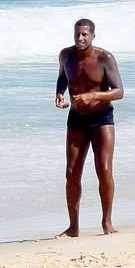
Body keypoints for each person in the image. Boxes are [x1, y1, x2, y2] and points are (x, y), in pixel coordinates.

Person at [55, 18, 124, 237]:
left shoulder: (105, 58)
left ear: (93, 35)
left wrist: (94, 95)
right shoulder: (66, 55)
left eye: (85, 34)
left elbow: (119, 91)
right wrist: (59, 93)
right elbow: (62, 77)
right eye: (77, 34)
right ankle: (73, 227)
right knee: (71, 173)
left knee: (104, 170)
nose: (80, 38)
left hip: (102, 119)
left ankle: (107, 223)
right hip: (76, 119)